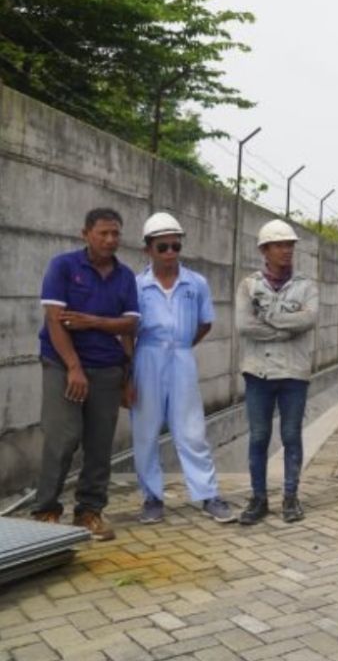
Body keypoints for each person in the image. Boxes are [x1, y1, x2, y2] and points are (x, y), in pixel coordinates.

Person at [31, 208, 140, 540]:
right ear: (86, 234)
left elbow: (130, 325)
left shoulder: (125, 276)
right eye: (103, 233)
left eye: (115, 234)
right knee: (63, 437)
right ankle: (45, 511)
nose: (110, 239)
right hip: (62, 365)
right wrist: (74, 368)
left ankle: (89, 512)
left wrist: (127, 377)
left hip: (108, 369)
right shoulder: (63, 267)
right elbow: (55, 320)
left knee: (99, 443)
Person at [126, 212, 236, 524]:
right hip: (146, 356)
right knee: (145, 430)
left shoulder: (195, 283)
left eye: (176, 245)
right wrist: (128, 373)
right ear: (148, 249)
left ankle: (208, 494)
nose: (171, 253)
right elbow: (128, 331)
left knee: (191, 429)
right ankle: (152, 497)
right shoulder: (137, 285)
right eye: (163, 247)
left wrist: (182, 345)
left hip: (182, 357)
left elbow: (205, 323)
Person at [235, 219, 319, 525]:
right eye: (279, 245)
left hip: (294, 373)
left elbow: (308, 320)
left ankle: (290, 497)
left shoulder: (306, 286)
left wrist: (267, 317)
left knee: (291, 435)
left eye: (289, 245)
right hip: (258, 372)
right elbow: (244, 325)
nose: (286, 251)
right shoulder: (249, 286)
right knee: (258, 437)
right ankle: (258, 499)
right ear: (264, 250)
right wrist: (285, 328)